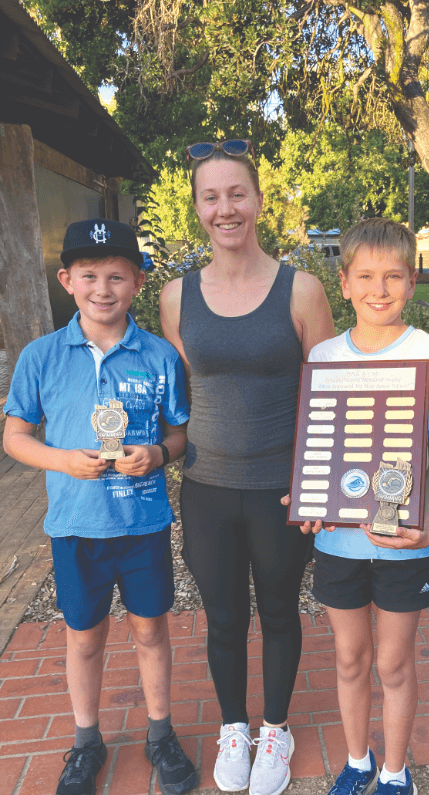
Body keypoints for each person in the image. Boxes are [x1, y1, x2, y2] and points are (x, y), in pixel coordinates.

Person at [159, 140, 335, 795]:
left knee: (281, 610)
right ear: (199, 207)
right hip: (206, 489)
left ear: (258, 201)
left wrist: (317, 484)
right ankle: (235, 726)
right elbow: (178, 397)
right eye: (212, 196)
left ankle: (277, 728)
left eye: (237, 193)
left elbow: (329, 399)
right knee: (224, 616)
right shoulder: (176, 296)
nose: (225, 207)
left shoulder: (303, 290)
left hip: (279, 491)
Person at [3, 219, 197, 795]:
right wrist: (63, 461)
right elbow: (14, 436)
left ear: (137, 282)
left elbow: (180, 436)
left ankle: (159, 734)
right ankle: (87, 741)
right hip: (75, 527)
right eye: (89, 276)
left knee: (151, 631)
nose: (103, 289)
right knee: (83, 637)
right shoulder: (41, 357)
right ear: (68, 280)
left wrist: (158, 453)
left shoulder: (159, 355)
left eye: (116, 276)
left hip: (142, 525)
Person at [284, 217, 429, 795]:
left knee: (393, 664)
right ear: (343, 283)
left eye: (394, 275)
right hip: (337, 542)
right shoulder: (323, 356)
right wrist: (308, 495)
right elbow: (317, 447)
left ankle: (395, 771)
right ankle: (358, 761)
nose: (380, 288)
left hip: (405, 544)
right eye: (365, 275)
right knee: (349, 660)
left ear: (412, 282)